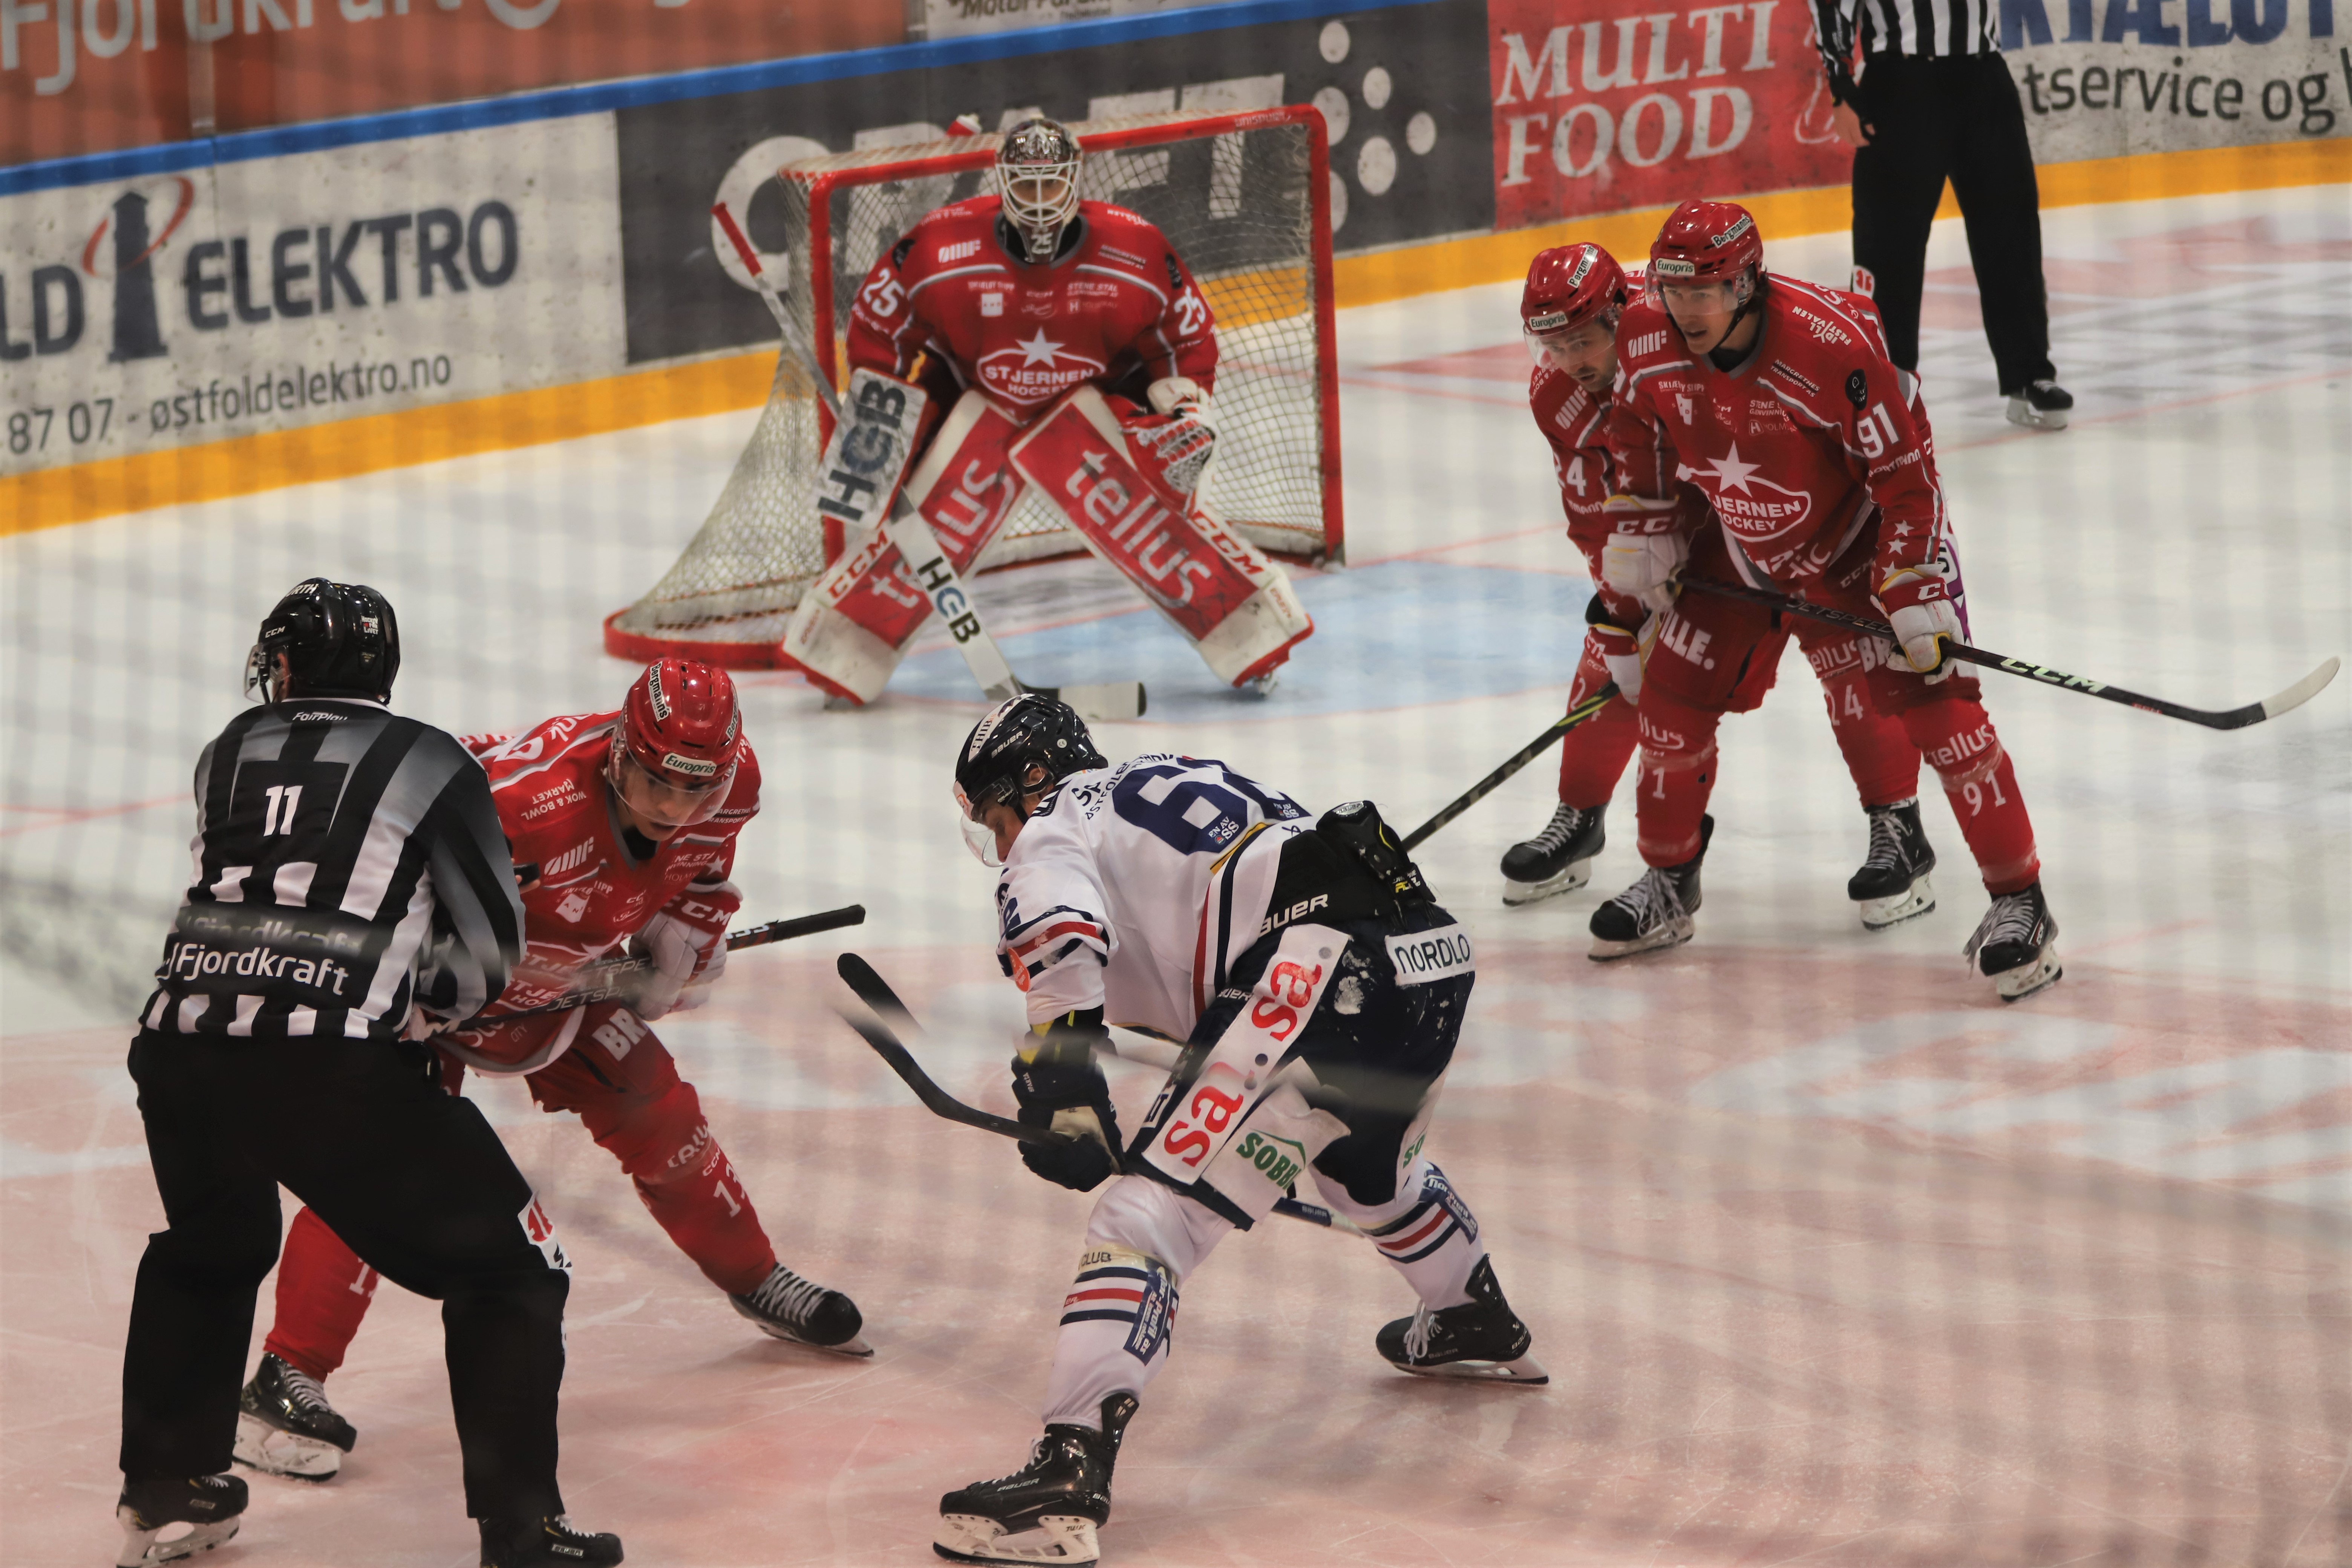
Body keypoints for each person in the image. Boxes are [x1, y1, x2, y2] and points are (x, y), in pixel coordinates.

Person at [932, 695, 1543, 1567]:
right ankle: (1470, 1312)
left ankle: (1067, 1474)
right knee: (1357, 1167)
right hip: (1425, 958)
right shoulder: (1161, 777)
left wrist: (1064, 1085)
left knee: (1143, 1219)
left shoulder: (1055, 820)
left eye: (995, 816)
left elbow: (1059, 931)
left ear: (1030, 779)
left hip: (1319, 968)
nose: (1000, 842)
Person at [233, 658, 868, 1486]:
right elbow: (368, 876)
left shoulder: (732, 782)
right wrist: (406, 991)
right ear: (618, 756)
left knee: (655, 1104)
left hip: (556, 991)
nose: (677, 811)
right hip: (425, 993)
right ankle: (283, 1378)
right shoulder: (518, 807)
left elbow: (698, 879)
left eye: (696, 792)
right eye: (657, 787)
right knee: (376, 1163)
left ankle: (756, 1279)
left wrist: (680, 953)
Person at [116, 578, 620, 1568]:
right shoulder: (432, 758)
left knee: (211, 1248)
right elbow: (482, 956)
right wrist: (429, 1018)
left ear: (289, 665)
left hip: (177, 1048)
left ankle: (168, 1491)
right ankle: (522, 1535)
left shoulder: (228, 750)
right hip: (324, 1064)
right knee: (514, 1272)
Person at [1597, 200, 2060, 1000]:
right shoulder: (1644, 334)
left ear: (1747, 283)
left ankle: (2023, 905)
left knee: (1941, 713)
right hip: (1741, 547)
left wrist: (1912, 585)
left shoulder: (1831, 346)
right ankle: (1670, 884)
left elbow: (1907, 481)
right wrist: (1650, 529)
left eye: (1704, 291)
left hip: (1860, 541)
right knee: (1670, 703)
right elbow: (1636, 426)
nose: (1684, 310)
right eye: (1674, 291)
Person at [782, 115, 1312, 705]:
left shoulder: (1134, 248)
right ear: (1002, 184)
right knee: (932, 520)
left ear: (1076, 182)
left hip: (1091, 407)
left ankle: (1255, 639)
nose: (1040, 202)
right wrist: (883, 416)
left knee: (1151, 518)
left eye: (1052, 186)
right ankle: (842, 649)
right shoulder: (940, 245)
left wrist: (1182, 406)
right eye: (1028, 186)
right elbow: (881, 326)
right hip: (976, 398)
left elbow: (1185, 342)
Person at [1503, 241, 1942, 936]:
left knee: (1846, 653)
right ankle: (1582, 821)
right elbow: (1596, 512)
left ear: (1624, 315)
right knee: (1616, 661)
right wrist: (1629, 603)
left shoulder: (1689, 337)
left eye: (1584, 341)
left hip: (1803, 514)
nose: (1570, 362)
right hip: (1693, 538)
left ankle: (1899, 830)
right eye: (1552, 346)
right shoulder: (1559, 396)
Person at [1811, 0, 2075, 430]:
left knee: (2013, 235)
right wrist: (1840, 84)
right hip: (1901, 83)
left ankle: (2030, 374)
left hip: (1984, 78)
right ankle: (1884, 383)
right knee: (1888, 245)